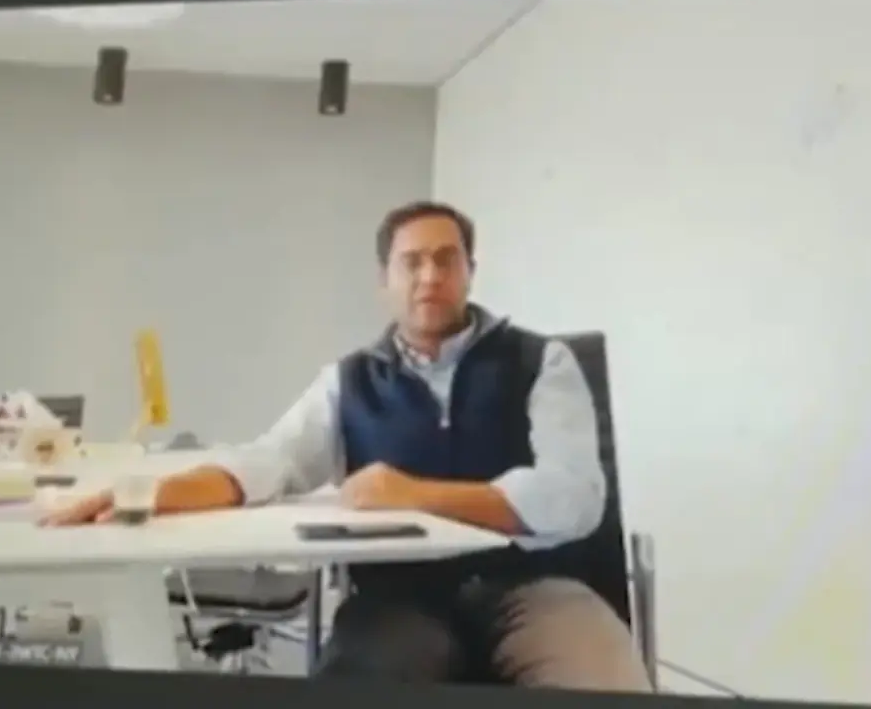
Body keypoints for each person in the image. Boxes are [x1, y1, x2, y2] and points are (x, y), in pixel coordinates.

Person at [41, 201, 651, 691]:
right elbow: (271, 461)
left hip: (535, 590)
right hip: (399, 600)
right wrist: (153, 493)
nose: (430, 276)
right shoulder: (348, 380)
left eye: (447, 259)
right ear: (385, 280)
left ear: (470, 269)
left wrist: (410, 494)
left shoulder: (542, 361)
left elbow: (573, 497)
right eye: (412, 262)